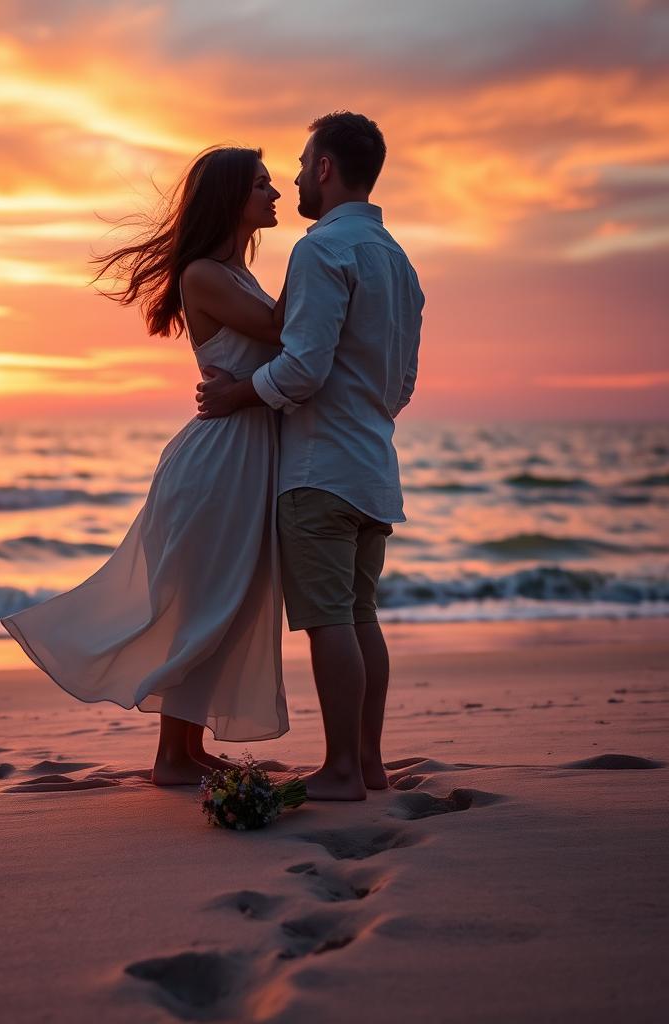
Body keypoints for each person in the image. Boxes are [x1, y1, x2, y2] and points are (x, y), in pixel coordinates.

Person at [1, 146, 291, 786]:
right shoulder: (205, 273)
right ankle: (171, 758)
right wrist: (321, 253)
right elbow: (282, 328)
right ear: (230, 198)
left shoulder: (235, 273)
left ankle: (185, 750)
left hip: (244, 454)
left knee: (223, 601)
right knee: (205, 603)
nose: (274, 195)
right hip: (219, 462)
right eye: (262, 186)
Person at [197, 112, 425, 801]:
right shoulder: (398, 260)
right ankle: (371, 762)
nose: (294, 177)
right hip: (373, 465)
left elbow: (303, 369)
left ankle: (344, 771)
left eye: (300, 163)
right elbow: (403, 385)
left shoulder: (322, 250)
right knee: (360, 615)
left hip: (318, 470)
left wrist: (238, 393)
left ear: (326, 168)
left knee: (330, 621)